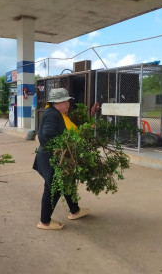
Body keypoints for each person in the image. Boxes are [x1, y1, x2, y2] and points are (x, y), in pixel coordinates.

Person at [33, 88, 99, 230]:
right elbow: (46, 136)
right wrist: (62, 150)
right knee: (54, 189)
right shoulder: (52, 115)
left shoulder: (57, 113)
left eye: (68, 101)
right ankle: (44, 222)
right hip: (53, 159)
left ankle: (75, 211)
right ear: (57, 102)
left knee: (67, 182)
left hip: (57, 157)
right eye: (65, 102)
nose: (68, 104)